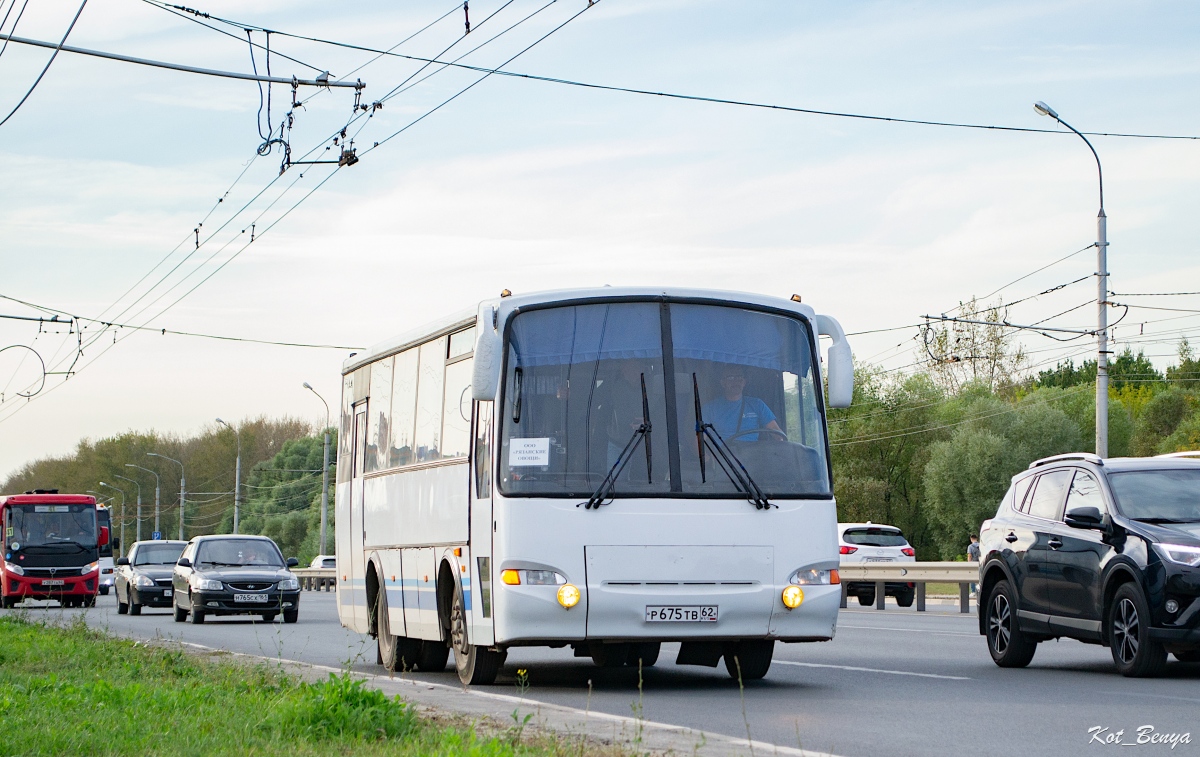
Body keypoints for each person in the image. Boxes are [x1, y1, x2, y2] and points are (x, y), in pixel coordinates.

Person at [701, 364, 782, 441]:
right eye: (730, 378)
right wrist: (709, 456)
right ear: (723, 383)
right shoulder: (710, 409)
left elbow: (778, 435)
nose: (736, 381)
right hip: (723, 455)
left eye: (739, 377)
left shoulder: (758, 405)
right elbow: (698, 442)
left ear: (744, 382)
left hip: (753, 454)